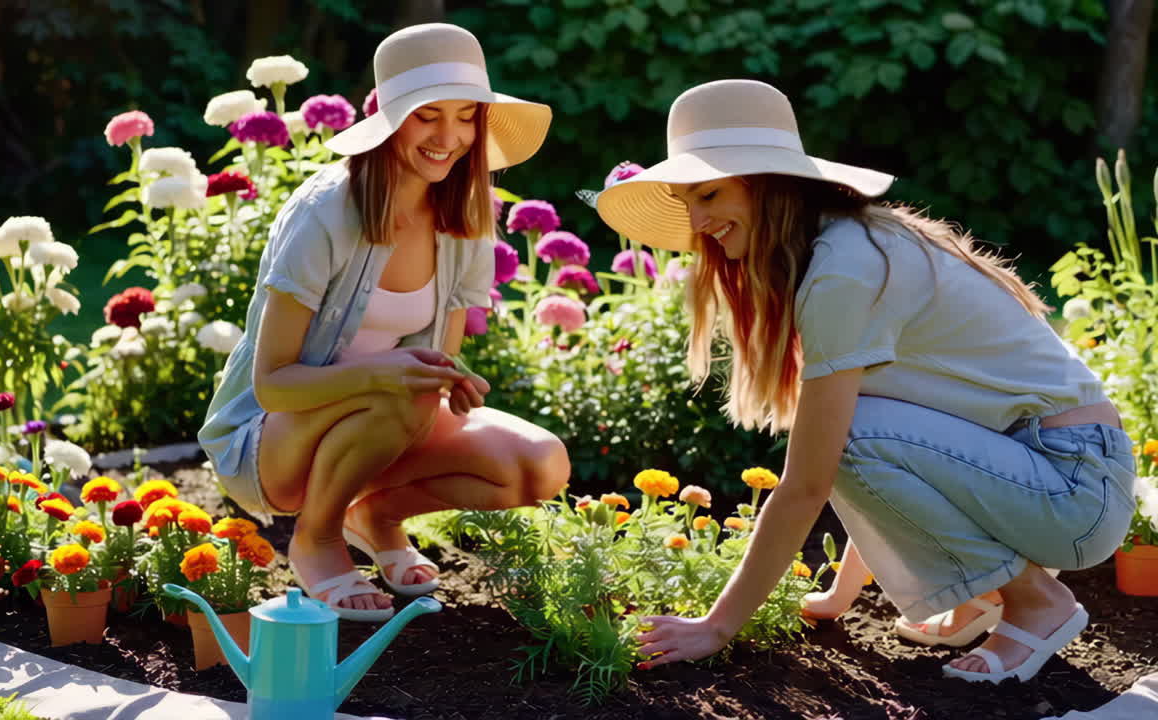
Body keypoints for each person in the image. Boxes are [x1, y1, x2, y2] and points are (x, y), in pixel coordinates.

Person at [595, 79, 1136, 682]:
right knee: (849, 433)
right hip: (1052, 474)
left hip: (1072, 487)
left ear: (769, 184)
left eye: (710, 194)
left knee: (839, 437)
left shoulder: (842, 272)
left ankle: (1034, 601)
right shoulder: (850, 243)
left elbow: (815, 475)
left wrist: (716, 627)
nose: (696, 222)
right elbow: (890, 464)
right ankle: (981, 591)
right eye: (686, 201)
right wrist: (838, 600)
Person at [198, 23, 569, 621]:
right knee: (401, 393)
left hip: (390, 419)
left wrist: (454, 379)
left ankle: (373, 516)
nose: (449, 137)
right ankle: (316, 539)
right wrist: (388, 375)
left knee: (538, 464)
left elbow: (433, 365)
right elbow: (273, 384)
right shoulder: (327, 212)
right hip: (272, 442)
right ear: (393, 117)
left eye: (466, 116)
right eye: (428, 116)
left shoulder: (467, 214)